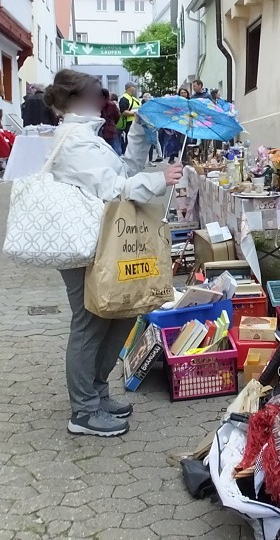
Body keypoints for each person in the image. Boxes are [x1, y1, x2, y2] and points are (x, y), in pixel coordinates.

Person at [44, 69, 183, 437]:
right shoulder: (73, 140)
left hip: (104, 243)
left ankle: (97, 393)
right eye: (97, 93)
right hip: (82, 247)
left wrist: (139, 132)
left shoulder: (88, 135)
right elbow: (115, 188)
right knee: (90, 323)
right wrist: (160, 179)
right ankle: (84, 411)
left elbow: (124, 169)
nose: (104, 99)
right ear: (75, 99)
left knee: (121, 313)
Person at [116, 83, 141, 149]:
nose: (135, 89)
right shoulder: (124, 99)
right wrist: (136, 113)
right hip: (129, 123)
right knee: (130, 141)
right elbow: (124, 112)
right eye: (134, 87)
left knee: (135, 141)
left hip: (136, 122)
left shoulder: (134, 98)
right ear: (130, 88)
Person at [99, 89, 122, 155]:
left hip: (100, 130)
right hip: (111, 130)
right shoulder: (111, 105)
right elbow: (117, 116)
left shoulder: (96, 104)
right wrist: (113, 124)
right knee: (115, 150)